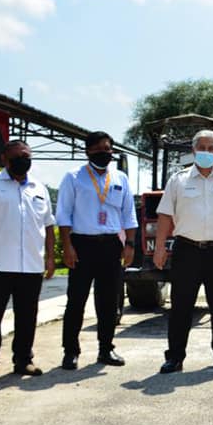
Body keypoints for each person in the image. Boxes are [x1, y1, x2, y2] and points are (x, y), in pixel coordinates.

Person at [153, 130, 213, 374]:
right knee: (181, 306)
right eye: (201, 147)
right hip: (187, 250)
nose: (206, 151)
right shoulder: (178, 180)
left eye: (211, 148)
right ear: (193, 151)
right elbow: (165, 215)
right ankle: (175, 357)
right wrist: (160, 247)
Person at [0, 140, 55, 383]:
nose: (22, 160)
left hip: (31, 266)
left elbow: (48, 225)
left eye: (26, 156)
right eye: (16, 157)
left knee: (27, 317)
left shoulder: (39, 188)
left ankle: (23, 360)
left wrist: (50, 257)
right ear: (4, 159)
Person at [56, 131, 137, 370]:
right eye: (99, 149)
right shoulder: (73, 177)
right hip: (82, 244)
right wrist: (67, 246)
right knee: (76, 301)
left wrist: (130, 244)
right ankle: (71, 351)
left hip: (111, 245)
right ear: (88, 151)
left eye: (108, 149)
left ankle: (106, 348)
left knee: (109, 301)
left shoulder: (120, 178)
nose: (105, 153)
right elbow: (63, 214)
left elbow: (129, 214)